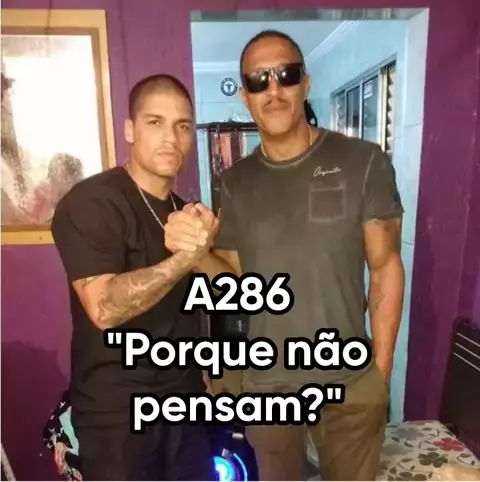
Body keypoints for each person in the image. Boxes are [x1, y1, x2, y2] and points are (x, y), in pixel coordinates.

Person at [164, 30, 405, 481]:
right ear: (245, 96)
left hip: (349, 380)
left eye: (286, 74)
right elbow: (234, 280)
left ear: (305, 83)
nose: (273, 89)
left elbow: (386, 265)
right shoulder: (235, 182)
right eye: (258, 80)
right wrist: (194, 254)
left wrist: (381, 369)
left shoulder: (363, 161)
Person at [51, 73, 218, 481]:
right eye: (155, 122)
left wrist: (205, 244)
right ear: (129, 129)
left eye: (182, 126)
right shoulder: (92, 202)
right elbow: (104, 308)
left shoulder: (183, 210)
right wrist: (184, 259)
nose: (171, 138)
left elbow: (222, 290)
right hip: (117, 414)